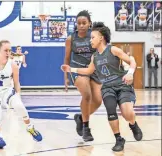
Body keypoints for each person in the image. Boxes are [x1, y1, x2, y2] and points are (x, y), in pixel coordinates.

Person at [61, 22, 143, 152]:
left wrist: (130, 73)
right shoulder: (95, 57)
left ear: (101, 38)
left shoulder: (113, 50)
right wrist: (71, 69)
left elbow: (132, 60)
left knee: (127, 114)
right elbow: (88, 71)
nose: (90, 40)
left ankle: (133, 125)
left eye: (92, 37)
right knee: (111, 112)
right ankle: (118, 139)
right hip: (107, 88)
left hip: (122, 85)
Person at [64, 10, 102, 142]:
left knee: (97, 101)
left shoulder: (95, 36)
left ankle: (80, 118)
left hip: (93, 70)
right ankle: (86, 128)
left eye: (84, 23)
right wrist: (66, 77)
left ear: (89, 23)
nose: (81, 25)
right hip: (77, 69)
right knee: (87, 95)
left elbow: (101, 52)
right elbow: (67, 58)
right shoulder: (71, 38)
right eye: (79, 23)